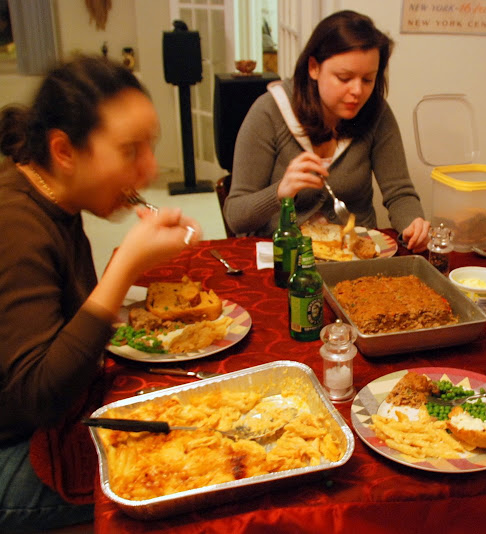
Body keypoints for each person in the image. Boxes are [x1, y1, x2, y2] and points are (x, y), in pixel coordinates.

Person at [0, 55, 201, 532]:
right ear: (64, 150)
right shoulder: (15, 226)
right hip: (15, 446)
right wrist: (125, 265)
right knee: (183, 471)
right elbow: (40, 396)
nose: (149, 169)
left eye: (149, 147)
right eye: (130, 150)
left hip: (48, 420)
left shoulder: (57, 200)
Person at [224, 10, 431, 252]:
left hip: (354, 257)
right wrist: (279, 192)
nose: (357, 91)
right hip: (284, 256)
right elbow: (235, 216)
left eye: (367, 80)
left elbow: (399, 193)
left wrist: (413, 224)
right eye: (344, 78)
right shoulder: (269, 112)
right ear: (314, 68)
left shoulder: (377, 112)